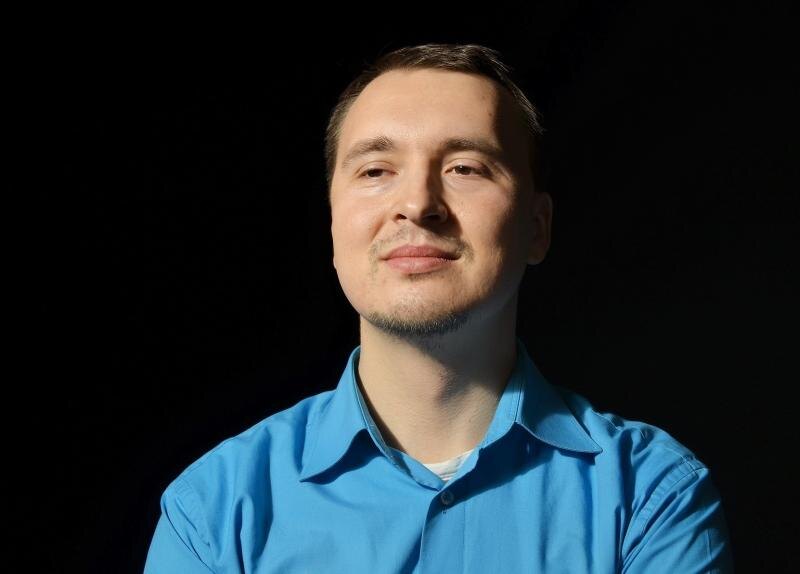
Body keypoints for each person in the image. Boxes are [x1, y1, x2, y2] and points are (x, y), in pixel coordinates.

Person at [143, 43, 733, 573]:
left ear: (536, 227)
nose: (418, 203)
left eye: (464, 168)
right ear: (333, 225)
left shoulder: (653, 496)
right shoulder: (214, 511)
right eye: (376, 170)